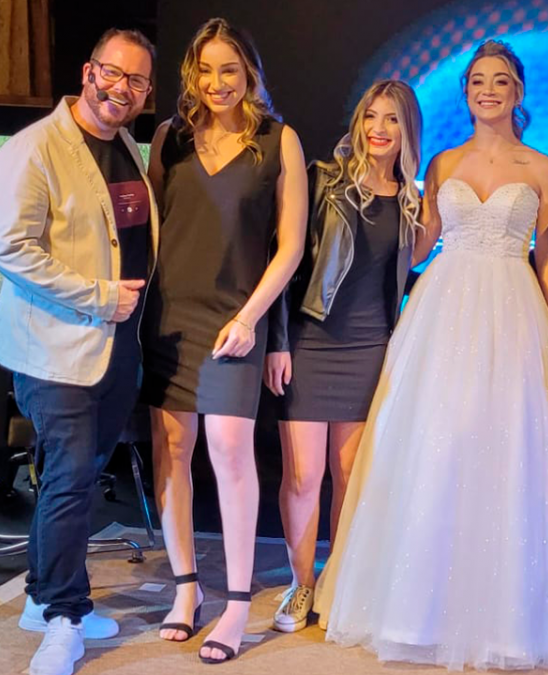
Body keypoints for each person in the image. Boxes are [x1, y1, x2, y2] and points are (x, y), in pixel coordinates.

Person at [311, 40, 548, 669]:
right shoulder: (441, 162)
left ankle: (504, 617)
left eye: (500, 80)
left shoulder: (543, 167)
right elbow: (420, 245)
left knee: (506, 446)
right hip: (443, 307)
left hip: (513, 309)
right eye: (477, 81)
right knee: (436, 440)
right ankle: (415, 610)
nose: (488, 90)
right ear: (465, 93)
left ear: (518, 91)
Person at [0, 27, 158, 675]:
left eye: (137, 80)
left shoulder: (126, 148)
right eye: (113, 73)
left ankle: (42, 598)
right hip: (54, 346)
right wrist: (98, 296)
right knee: (71, 477)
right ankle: (65, 616)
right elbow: (10, 248)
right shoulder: (33, 148)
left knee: (76, 475)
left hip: (117, 346)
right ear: (89, 71)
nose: (122, 88)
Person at [142, 17, 307, 664]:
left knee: (231, 450)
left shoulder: (278, 140)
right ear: (192, 75)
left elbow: (290, 246)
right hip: (169, 317)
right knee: (171, 450)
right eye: (205, 70)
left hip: (238, 318)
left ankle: (237, 602)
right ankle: (186, 588)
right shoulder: (170, 137)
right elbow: (152, 227)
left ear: (250, 74)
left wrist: (253, 320)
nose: (217, 82)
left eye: (229, 69)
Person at [262, 80, 423, 633]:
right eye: (371, 116)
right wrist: (278, 341)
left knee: (350, 475)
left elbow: (406, 276)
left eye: (392, 119)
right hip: (311, 342)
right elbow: (284, 263)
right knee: (303, 476)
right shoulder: (322, 179)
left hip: (370, 349)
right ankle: (301, 584)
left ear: (408, 130)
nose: (379, 128)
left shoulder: (411, 200)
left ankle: (338, 582)